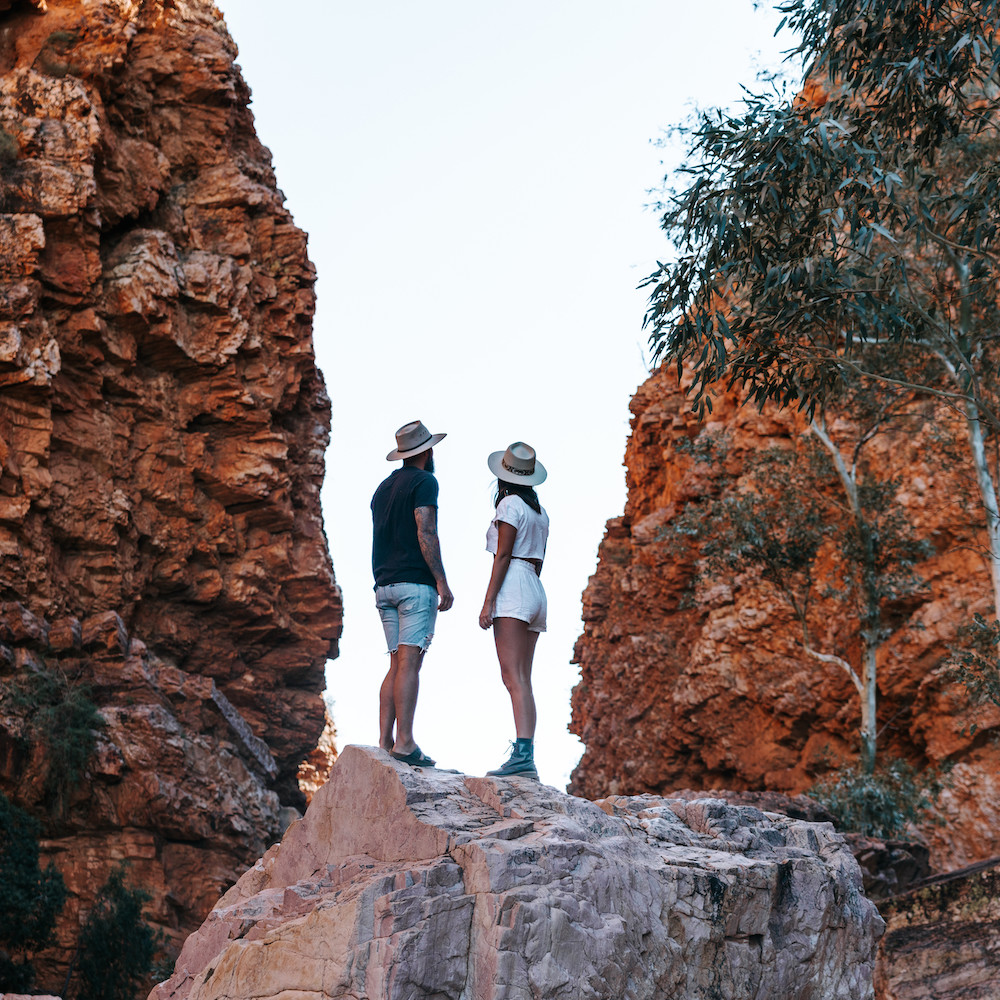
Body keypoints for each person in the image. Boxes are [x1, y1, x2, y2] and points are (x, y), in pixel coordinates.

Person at [372, 420, 453, 767]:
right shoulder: (425, 481)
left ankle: (385, 740)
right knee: (409, 664)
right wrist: (441, 581)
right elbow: (426, 530)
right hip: (414, 586)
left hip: (383, 585)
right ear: (427, 451)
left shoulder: (382, 489)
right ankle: (405, 743)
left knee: (394, 664)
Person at [478, 441, 549, 779]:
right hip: (535, 587)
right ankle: (526, 754)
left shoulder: (509, 505)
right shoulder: (539, 512)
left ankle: (523, 759)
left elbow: (503, 555)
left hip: (515, 585)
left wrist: (488, 601)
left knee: (512, 677)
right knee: (523, 678)